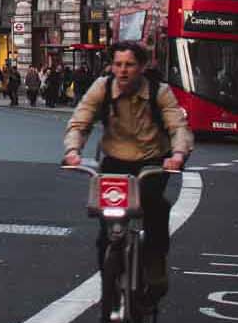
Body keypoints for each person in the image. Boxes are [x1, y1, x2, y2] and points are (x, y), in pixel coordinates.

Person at [62, 41, 193, 308]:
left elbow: (178, 127)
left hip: (152, 162)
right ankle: (110, 281)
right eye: (118, 64)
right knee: (106, 225)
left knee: (154, 207)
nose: (122, 71)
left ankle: (155, 268)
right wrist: (73, 150)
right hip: (114, 161)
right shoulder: (103, 87)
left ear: (142, 67)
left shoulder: (160, 92)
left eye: (129, 65)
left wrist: (177, 156)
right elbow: (81, 120)